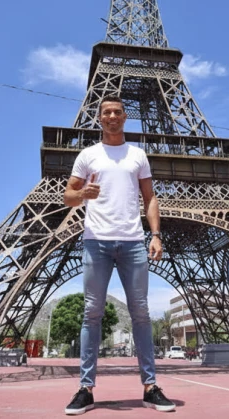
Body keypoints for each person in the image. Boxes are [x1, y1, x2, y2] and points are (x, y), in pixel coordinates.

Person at [63, 96, 175, 415]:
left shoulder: (138, 155)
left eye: (117, 112)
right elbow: (68, 195)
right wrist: (82, 194)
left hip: (133, 242)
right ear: (99, 118)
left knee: (141, 313)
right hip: (96, 241)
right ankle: (86, 388)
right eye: (106, 112)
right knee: (91, 313)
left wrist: (155, 234)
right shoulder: (87, 155)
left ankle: (150, 387)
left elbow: (149, 197)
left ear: (125, 117)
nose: (112, 116)